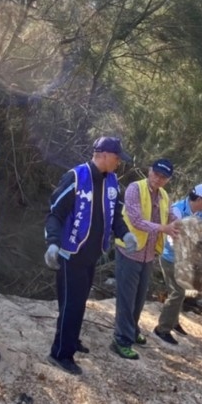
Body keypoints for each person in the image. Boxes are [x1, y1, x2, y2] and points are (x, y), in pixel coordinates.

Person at [44, 136, 136, 375]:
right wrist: (52, 243)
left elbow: (115, 215)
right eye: (117, 158)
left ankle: (71, 340)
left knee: (79, 302)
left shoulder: (113, 182)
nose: (119, 163)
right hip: (70, 253)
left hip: (92, 254)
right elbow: (55, 213)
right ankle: (60, 353)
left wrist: (125, 234)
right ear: (104, 155)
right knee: (71, 306)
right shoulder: (76, 177)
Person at [111, 158, 179, 360]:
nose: (158, 179)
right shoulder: (135, 188)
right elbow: (136, 220)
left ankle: (131, 330)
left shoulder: (164, 195)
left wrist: (180, 225)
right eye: (156, 174)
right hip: (129, 251)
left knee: (139, 298)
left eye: (163, 177)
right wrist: (163, 229)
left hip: (148, 254)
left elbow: (168, 217)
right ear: (149, 170)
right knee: (126, 298)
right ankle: (121, 339)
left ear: (168, 179)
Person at [154, 183, 202, 344]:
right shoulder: (177, 209)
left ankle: (174, 322)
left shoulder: (201, 213)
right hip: (170, 257)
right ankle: (162, 329)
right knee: (177, 292)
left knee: (181, 290)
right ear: (199, 199)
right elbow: (174, 237)